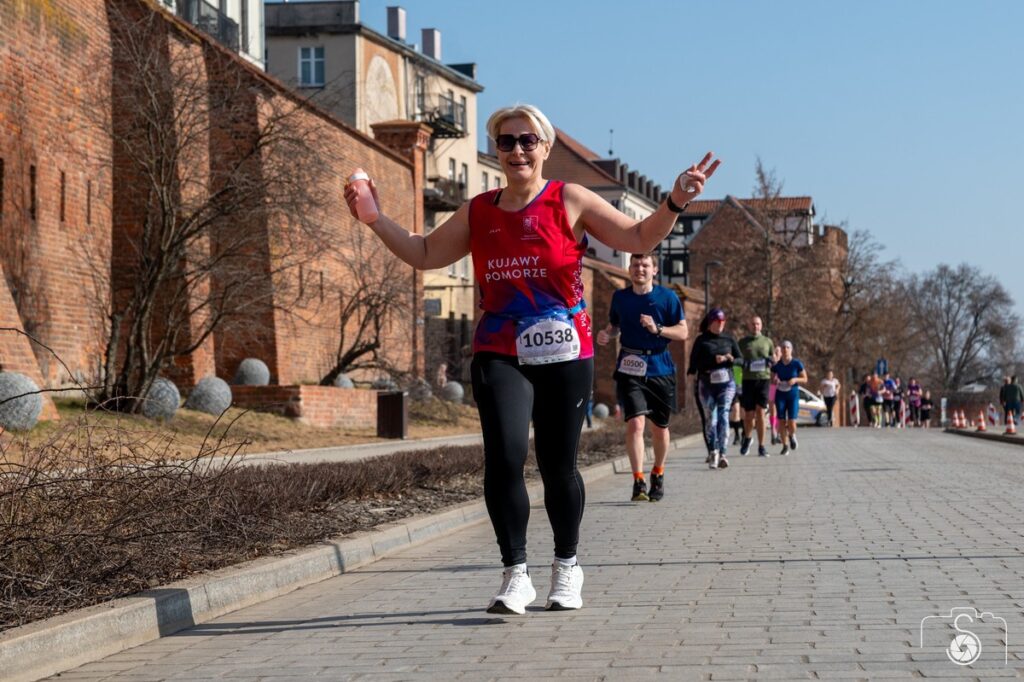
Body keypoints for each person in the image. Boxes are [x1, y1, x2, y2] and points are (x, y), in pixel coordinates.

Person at [344, 103, 719, 615]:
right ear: (497, 150)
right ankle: (515, 573)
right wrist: (374, 219)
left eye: (527, 141)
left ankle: (567, 565)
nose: (517, 150)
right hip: (500, 350)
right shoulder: (479, 211)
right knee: (504, 458)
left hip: (565, 352)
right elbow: (425, 253)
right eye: (506, 142)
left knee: (557, 466)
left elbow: (637, 238)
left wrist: (676, 200)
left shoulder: (569, 198)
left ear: (544, 148)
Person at [597, 253, 688, 502]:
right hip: (630, 366)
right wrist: (606, 334)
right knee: (636, 424)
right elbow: (615, 325)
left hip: (660, 366)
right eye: (635, 265)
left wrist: (658, 329)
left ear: (654, 270)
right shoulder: (620, 297)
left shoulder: (667, 297)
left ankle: (658, 471)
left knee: (660, 428)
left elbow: (683, 332)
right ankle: (638, 481)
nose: (640, 269)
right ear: (629, 269)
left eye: (645, 265)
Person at [687, 308, 742, 470]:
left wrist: (731, 359)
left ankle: (723, 453)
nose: (720, 325)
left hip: (726, 383)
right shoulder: (701, 340)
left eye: (722, 322)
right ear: (710, 323)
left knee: (724, 415)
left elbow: (741, 360)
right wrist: (712, 360)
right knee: (711, 419)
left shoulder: (729, 339)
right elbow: (693, 364)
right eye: (717, 322)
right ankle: (713, 451)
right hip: (707, 384)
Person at [738, 316, 775, 457]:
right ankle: (748, 438)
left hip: (763, 380)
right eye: (753, 324)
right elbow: (737, 361)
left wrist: (772, 361)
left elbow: (773, 359)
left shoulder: (767, 341)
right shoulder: (742, 342)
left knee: (760, 412)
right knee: (749, 415)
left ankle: (761, 446)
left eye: (758, 324)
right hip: (747, 380)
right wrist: (737, 382)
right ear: (749, 326)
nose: (755, 326)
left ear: (761, 325)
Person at [771, 340, 808, 455]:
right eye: (783, 347)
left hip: (792, 394)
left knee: (792, 421)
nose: (785, 349)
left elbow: (805, 379)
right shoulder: (777, 366)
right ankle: (785, 445)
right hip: (780, 394)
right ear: (781, 351)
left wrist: (795, 379)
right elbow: (772, 380)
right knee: (781, 420)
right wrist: (775, 381)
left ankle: (792, 435)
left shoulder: (796, 363)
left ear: (791, 350)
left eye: (788, 347)